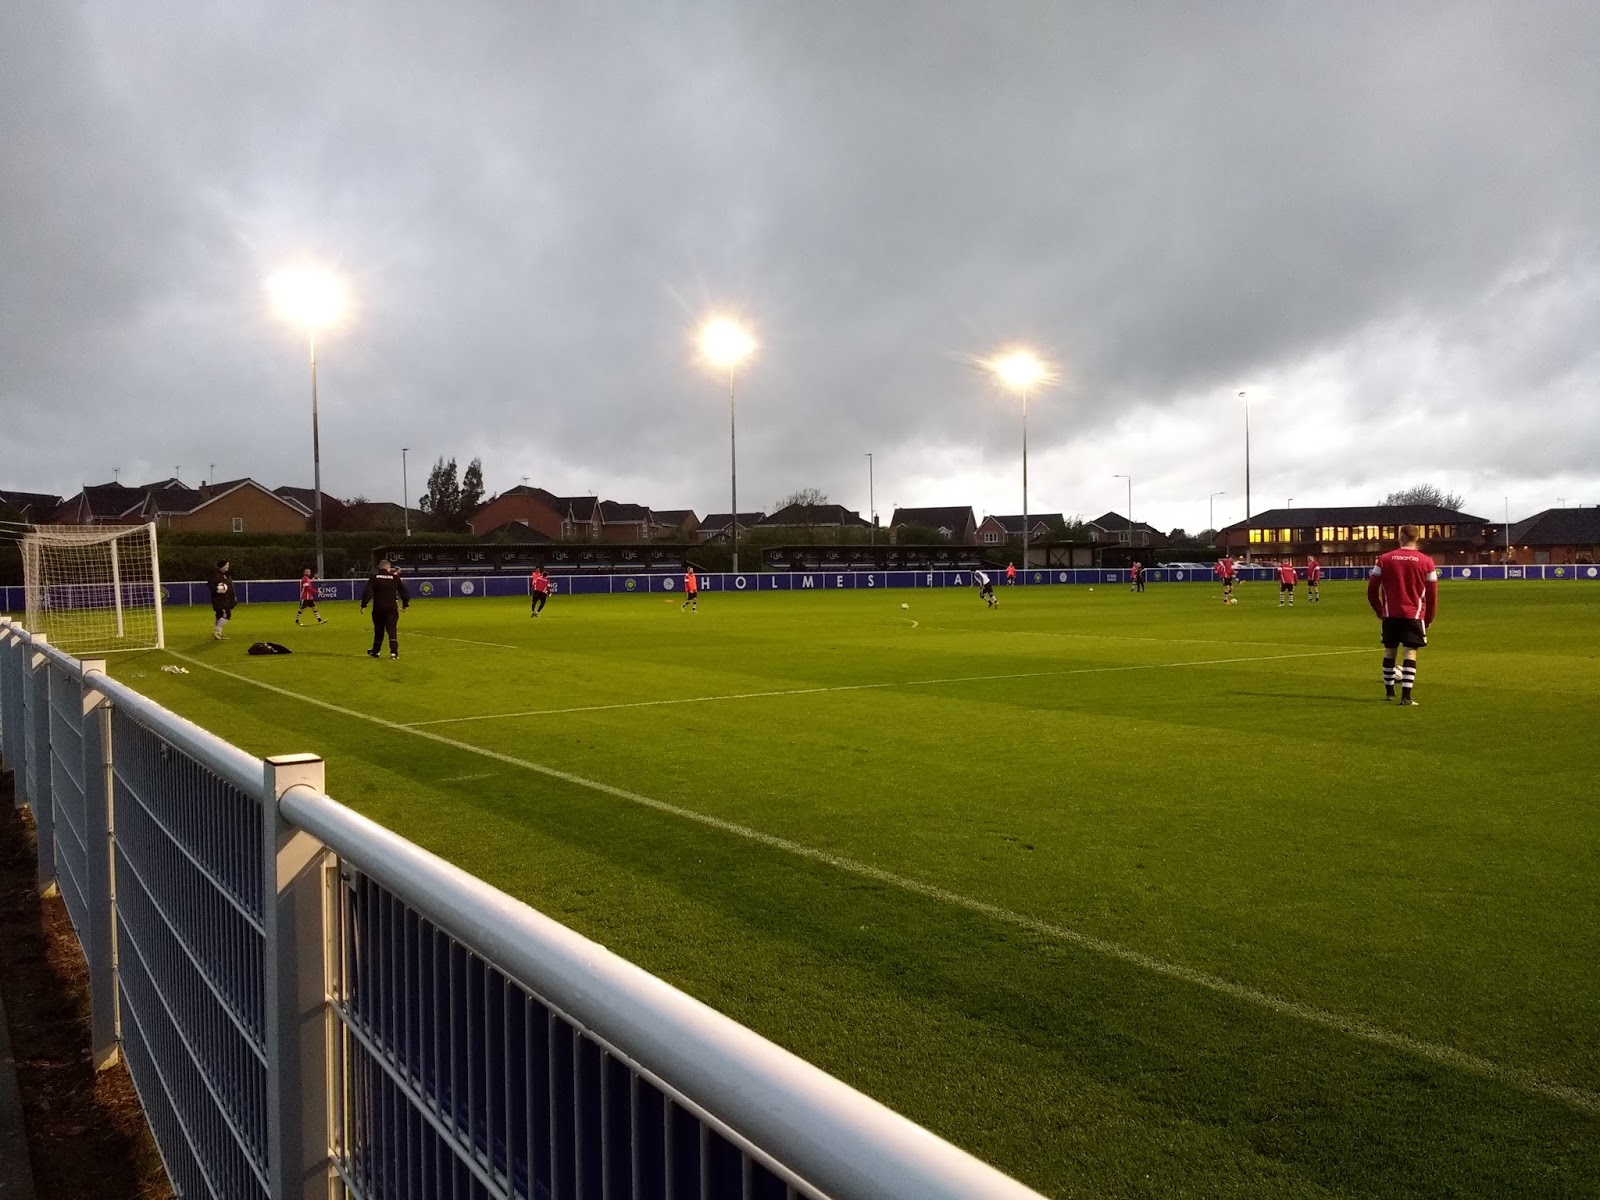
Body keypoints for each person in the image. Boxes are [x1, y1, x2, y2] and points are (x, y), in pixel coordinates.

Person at [1367, 525, 1438, 706]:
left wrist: (1379, 609)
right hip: (1414, 614)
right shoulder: (1427, 561)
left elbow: (1372, 588)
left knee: (1389, 651)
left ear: (1400, 537)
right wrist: (1428, 618)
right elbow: (1432, 595)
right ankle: (1406, 697)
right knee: (1410, 652)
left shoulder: (1384, 559)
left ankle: (1389, 692)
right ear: (1417, 538)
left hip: (1390, 614)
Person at [361, 559, 410, 659]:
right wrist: (405, 604)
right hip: (391, 609)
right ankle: (394, 653)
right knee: (392, 630)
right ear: (388, 568)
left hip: (378, 608)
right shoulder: (395, 578)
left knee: (379, 630)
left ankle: (376, 651)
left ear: (379, 567)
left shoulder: (374, 578)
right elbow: (404, 592)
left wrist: (363, 605)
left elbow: (367, 592)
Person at [208, 559, 236, 639]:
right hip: (221, 600)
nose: (228, 567)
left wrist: (233, 597)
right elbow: (210, 585)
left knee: (219, 615)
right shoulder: (216, 575)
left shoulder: (226, 575)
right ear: (222, 566)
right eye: (227, 565)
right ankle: (216, 632)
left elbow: (230, 587)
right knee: (227, 615)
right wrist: (217, 589)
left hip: (226, 599)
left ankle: (218, 634)